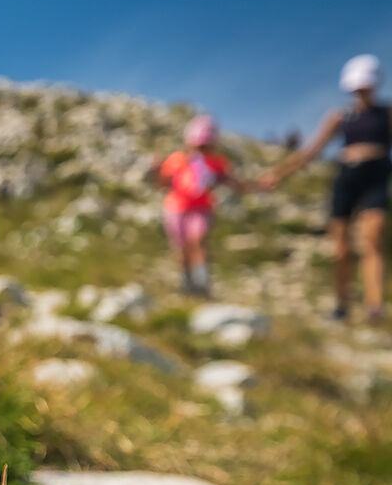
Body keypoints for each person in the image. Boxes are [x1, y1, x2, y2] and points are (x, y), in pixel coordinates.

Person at [260, 54, 392, 322]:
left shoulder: (386, 113)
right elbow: (312, 150)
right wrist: (280, 173)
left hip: (377, 175)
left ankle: (374, 306)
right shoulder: (340, 116)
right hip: (346, 177)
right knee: (341, 245)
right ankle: (341, 305)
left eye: (365, 87)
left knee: (373, 237)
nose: (361, 92)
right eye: (358, 88)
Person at [152, 114, 244, 297]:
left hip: (202, 208)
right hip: (176, 209)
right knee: (183, 249)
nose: (202, 150)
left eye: (206, 146)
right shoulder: (177, 159)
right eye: (199, 145)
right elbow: (163, 183)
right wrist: (158, 170)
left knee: (199, 242)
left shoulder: (217, 162)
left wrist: (257, 185)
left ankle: (202, 284)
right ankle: (187, 286)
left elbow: (230, 182)